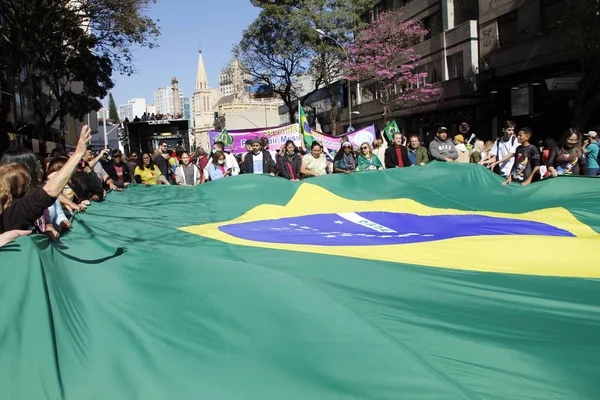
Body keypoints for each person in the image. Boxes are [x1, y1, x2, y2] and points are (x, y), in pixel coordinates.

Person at [0, 125, 92, 233]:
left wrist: (49, 226)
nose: (39, 167)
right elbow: (49, 192)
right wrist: (78, 153)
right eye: (34, 164)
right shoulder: (13, 210)